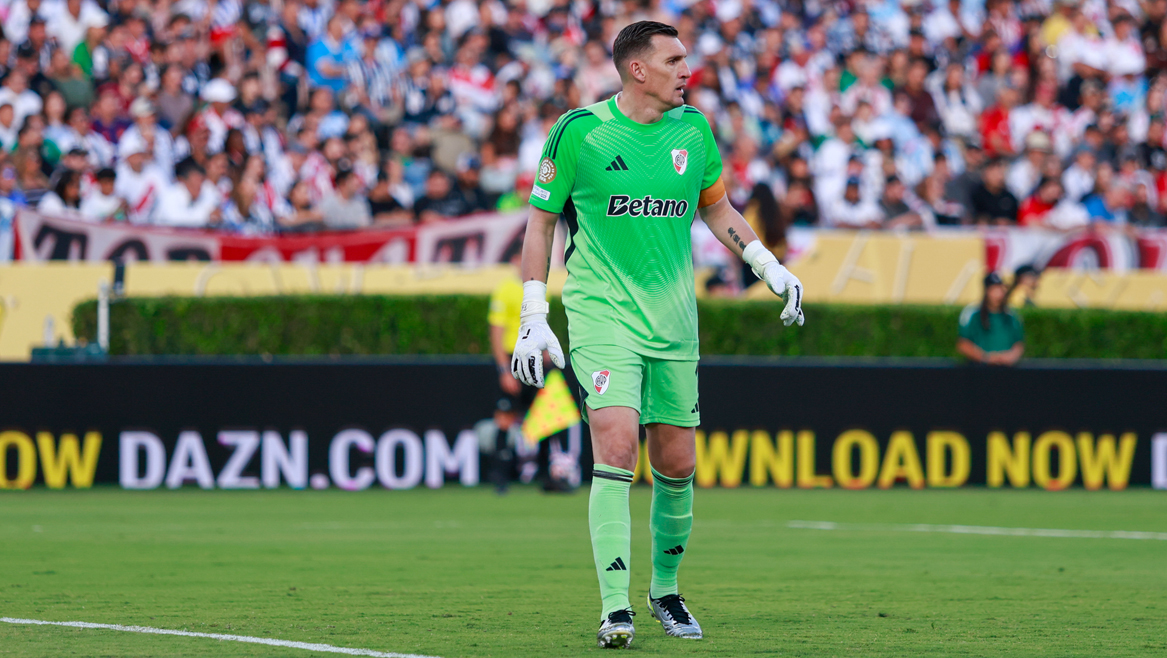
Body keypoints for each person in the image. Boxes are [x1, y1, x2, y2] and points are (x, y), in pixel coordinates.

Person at [509, 21, 804, 649]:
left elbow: (716, 207)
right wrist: (534, 310)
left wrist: (764, 263)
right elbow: (539, 225)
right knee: (615, 446)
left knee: (677, 462)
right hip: (601, 314)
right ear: (636, 69)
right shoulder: (579, 132)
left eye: (686, 59)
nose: (686, 69)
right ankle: (614, 607)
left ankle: (664, 591)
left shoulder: (693, 130)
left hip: (673, 322)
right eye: (673, 59)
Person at [957, 272, 1024, 366]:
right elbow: (963, 344)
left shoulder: (1011, 315)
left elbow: (1018, 344)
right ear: (986, 291)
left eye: (1000, 289)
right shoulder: (972, 313)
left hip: (1006, 370)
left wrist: (1010, 357)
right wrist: (986, 358)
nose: (998, 294)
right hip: (980, 370)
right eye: (994, 290)